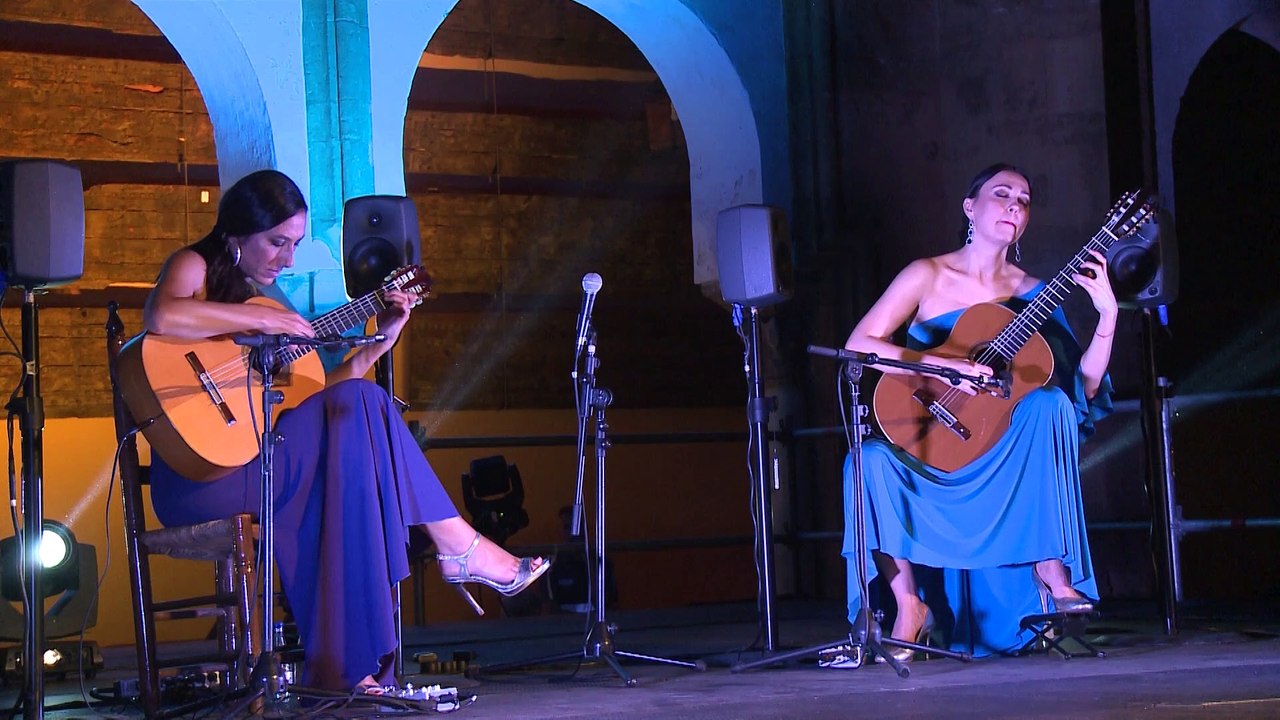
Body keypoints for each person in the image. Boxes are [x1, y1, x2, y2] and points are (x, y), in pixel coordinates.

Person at [141, 169, 549, 692]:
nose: (286, 258)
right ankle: (458, 548)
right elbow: (162, 315)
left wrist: (380, 342)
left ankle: (351, 666)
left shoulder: (274, 302)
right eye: (276, 242)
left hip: (266, 461)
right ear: (237, 232)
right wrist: (265, 324)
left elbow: (319, 396)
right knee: (354, 439)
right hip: (199, 478)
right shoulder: (194, 265)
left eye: (294, 244)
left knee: (357, 412)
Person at [840, 163, 1116, 660]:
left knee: (1050, 402)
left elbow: (1085, 387)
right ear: (970, 207)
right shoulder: (928, 274)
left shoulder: (1036, 293)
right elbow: (859, 343)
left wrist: (1107, 317)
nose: (1015, 204)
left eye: (1025, 199)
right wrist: (943, 365)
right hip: (933, 447)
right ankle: (909, 606)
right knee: (866, 461)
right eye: (1002, 193)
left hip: (1003, 458)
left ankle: (1052, 574)